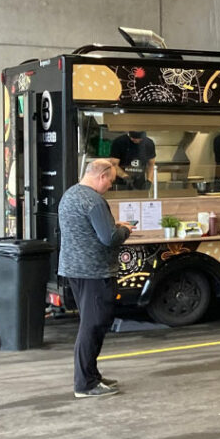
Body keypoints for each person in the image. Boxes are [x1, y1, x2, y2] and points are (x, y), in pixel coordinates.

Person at [57, 159, 133, 398]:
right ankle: (85, 383)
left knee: (90, 323)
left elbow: (89, 229)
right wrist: (126, 229)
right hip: (95, 271)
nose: (110, 185)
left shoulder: (70, 195)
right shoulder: (94, 201)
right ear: (101, 176)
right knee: (93, 325)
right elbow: (109, 238)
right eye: (110, 180)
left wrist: (112, 225)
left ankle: (92, 375)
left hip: (74, 269)